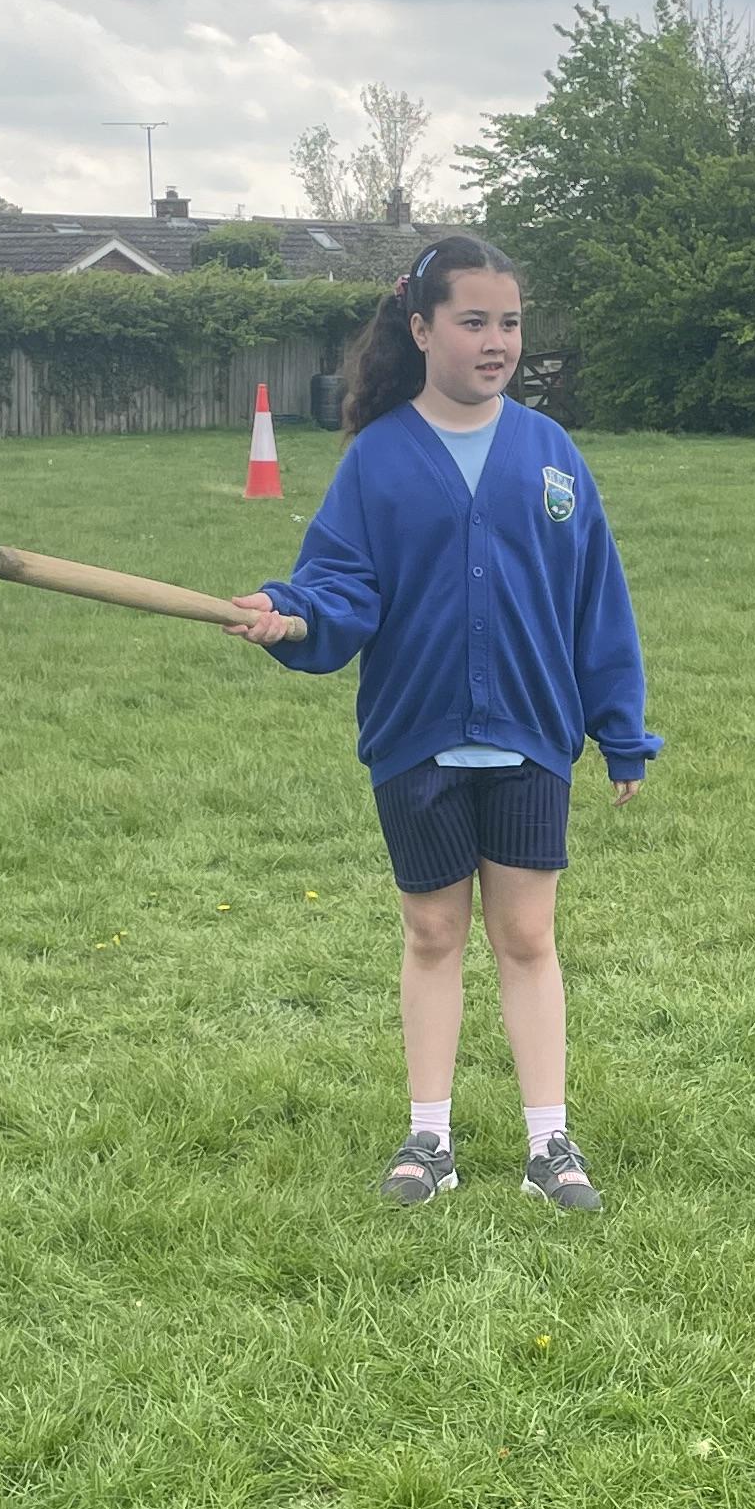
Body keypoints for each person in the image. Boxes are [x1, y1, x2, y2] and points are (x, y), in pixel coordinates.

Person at [227, 235, 657, 1211]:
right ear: (421, 329)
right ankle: (430, 1140)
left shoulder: (551, 454)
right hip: (417, 733)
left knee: (527, 935)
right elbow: (340, 586)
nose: (496, 341)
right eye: (473, 322)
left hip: (531, 733)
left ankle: (550, 1145)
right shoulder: (378, 460)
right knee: (431, 931)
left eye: (510, 322)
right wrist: (290, 613)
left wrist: (620, 728)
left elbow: (596, 598)